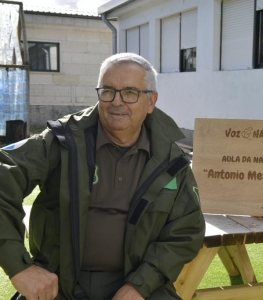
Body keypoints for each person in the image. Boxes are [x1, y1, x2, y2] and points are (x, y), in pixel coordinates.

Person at [0, 53, 206, 300]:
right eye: (108, 91)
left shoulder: (171, 161)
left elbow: (186, 231)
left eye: (130, 92)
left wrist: (141, 285)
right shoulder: (63, 142)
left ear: (151, 101)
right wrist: (19, 266)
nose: (117, 102)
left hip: (136, 284)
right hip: (58, 283)